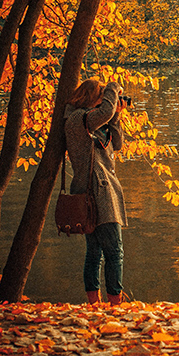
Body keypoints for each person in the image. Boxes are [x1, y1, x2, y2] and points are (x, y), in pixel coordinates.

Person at [64, 78, 128, 305]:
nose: (105, 101)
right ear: (92, 97)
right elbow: (106, 111)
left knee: (96, 252)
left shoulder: (94, 123)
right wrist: (113, 87)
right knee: (114, 252)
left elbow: (117, 144)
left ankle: (96, 304)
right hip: (94, 192)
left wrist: (116, 116)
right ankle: (115, 304)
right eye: (102, 95)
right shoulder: (77, 119)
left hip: (102, 190)